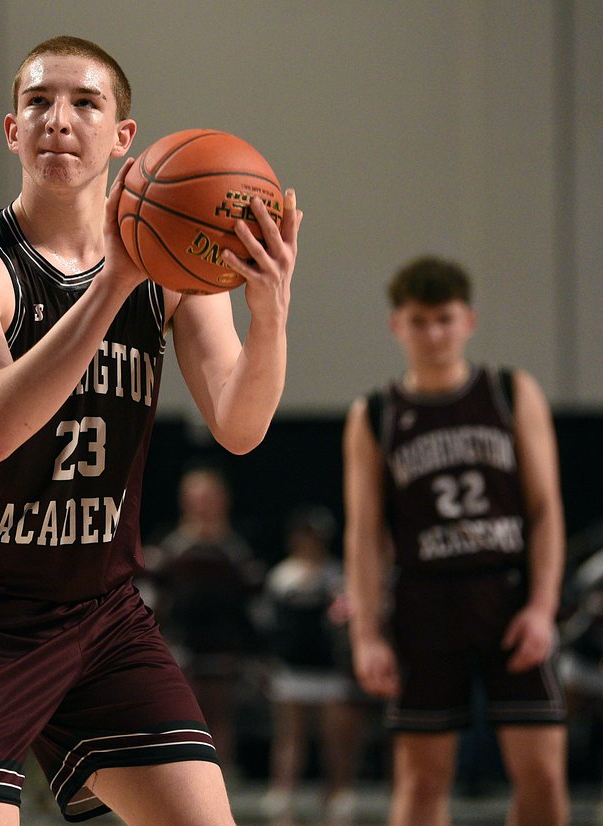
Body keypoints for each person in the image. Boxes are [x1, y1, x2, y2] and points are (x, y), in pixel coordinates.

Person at [0, 35, 300, 825]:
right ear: (12, 131)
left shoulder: (175, 273)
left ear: (124, 137)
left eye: (85, 102)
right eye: (38, 102)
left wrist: (270, 312)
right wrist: (115, 279)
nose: (58, 119)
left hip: (99, 614)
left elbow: (240, 427)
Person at [343, 255, 568, 825]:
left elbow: (545, 510)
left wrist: (543, 607)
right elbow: (365, 535)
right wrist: (367, 634)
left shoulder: (510, 392)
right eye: (420, 320)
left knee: (543, 776)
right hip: (425, 601)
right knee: (420, 784)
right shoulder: (376, 413)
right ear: (397, 325)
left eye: (444, 319)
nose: (434, 333)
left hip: (507, 593)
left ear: (468, 320)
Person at [141, 466, 264, 770]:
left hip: (224, 650)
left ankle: (220, 784)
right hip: (179, 649)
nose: (202, 505)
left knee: (220, 719)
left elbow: (255, 605)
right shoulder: (169, 546)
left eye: (208, 497)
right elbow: (150, 599)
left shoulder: (238, 548)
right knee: (177, 720)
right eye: (195, 498)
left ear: (223, 499)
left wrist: (254, 654)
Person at [258, 505, 361, 825]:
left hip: (329, 670)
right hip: (291, 670)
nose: (311, 543)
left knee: (336, 738)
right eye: (305, 536)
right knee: (290, 737)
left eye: (317, 537)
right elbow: (268, 625)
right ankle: (283, 791)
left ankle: (338, 794)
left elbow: (346, 622)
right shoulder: (281, 577)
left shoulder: (337, 576)